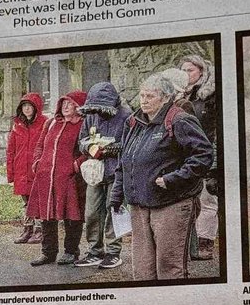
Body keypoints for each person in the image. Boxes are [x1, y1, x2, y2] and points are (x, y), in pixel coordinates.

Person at [109, 72, 213, 282]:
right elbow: (124, 162)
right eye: (142, 95)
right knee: (142, 269)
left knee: (169, 268)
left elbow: (204, 155)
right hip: (139, 205)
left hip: (171, 203)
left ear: (166, 98)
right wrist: (117, 195)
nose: (144, 101)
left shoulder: (180, 120)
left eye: (150, 96)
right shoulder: (133, 122)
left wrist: (173, 178)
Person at [26, 90, 87, 267]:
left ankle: (71, 251)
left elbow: (88, 150)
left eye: (70, 103)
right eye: (64, 103)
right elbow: (40, 144)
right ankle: (48, 252)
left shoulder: (82, 125)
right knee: (47, 215)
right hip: (46, 175)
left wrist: (75, 165)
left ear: (79, 106)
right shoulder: (52, 123)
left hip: (69, 178)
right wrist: (37, 162)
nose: (66, 106)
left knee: (72, 215)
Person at [75, 81, 131, 270]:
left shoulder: (126, 115)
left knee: (113, 210)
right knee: (91, 212)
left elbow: (129, 144)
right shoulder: (91, 115)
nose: (99, 113)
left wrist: (107, 150)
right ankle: (94, 251)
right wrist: (89, 147)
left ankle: (113, 252)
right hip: (95, 173)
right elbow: (81, 140)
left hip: (117, 171)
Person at [178, 53, 220, 262]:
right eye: (183, 70)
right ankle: (190, 244)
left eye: (190, 70)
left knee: (207, 200)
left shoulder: (211, 96)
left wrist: (214, 164)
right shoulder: (180, 96)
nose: (186, 74)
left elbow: (216, 131)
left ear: (201, 72)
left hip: (207, 152)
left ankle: (205, 244)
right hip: (184, 156)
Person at [6, 93, 47, 244]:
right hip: (21, 169)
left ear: (36, 107)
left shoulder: (44, 123)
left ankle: (39, 229)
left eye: (30, 106)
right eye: (24, 106)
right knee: (26, 201)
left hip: (36, 169)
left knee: (37, 200)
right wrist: (11, 173)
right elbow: (11, 151)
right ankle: (27, 228)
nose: (27, 109)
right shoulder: (18, 126)